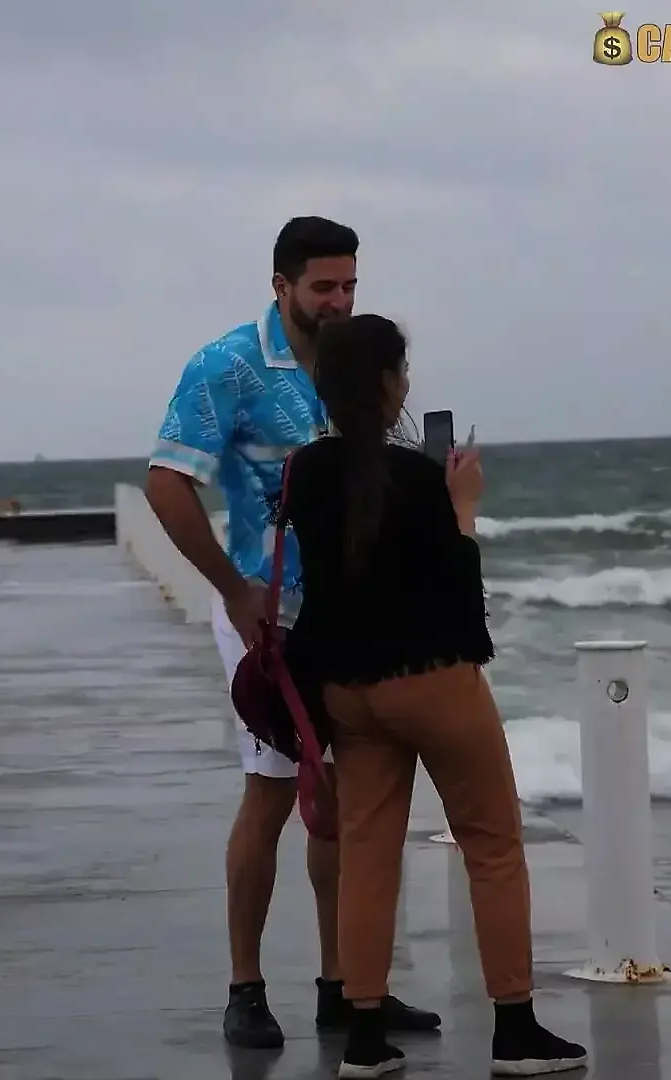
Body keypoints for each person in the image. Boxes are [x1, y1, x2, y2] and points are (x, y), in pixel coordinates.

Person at [145, 218, 440, 1049]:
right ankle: (245, 988)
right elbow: (167, 483)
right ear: (282, 286)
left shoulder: (356, 363)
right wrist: (231, 589)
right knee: (273, 792)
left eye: (351, 285)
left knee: (346, 799)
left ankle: (345, 987)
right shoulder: (228, 365)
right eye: (324, 287)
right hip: (268, 615)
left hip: (356, 614)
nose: (341, 301)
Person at [280, 314, 588, 1078]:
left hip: (348, 693)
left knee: (367, 853)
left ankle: (363, 1039)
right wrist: (464, 507)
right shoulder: (417, 479)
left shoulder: (306, 472)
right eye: (402, 371)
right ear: (387, 384)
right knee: (492, 844)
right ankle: (515, 1031)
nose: (408, 383)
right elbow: (456, 593)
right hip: (432, 684)